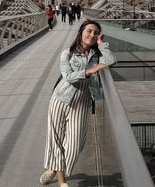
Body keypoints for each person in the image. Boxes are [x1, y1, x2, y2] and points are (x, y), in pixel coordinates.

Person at [39, 20, 116, 187]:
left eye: (96, 33)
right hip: (60, 100)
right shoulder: (67, 53)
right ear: (81, 32)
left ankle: (54, 168)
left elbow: (110, 61)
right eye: (89, 31)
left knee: (74, 146)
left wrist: (102, 44)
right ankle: (62, 182)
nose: (92, 35)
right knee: (56, 141)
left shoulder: (97, 55)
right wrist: (90, 71)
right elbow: (68, 77)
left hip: (82, 102)